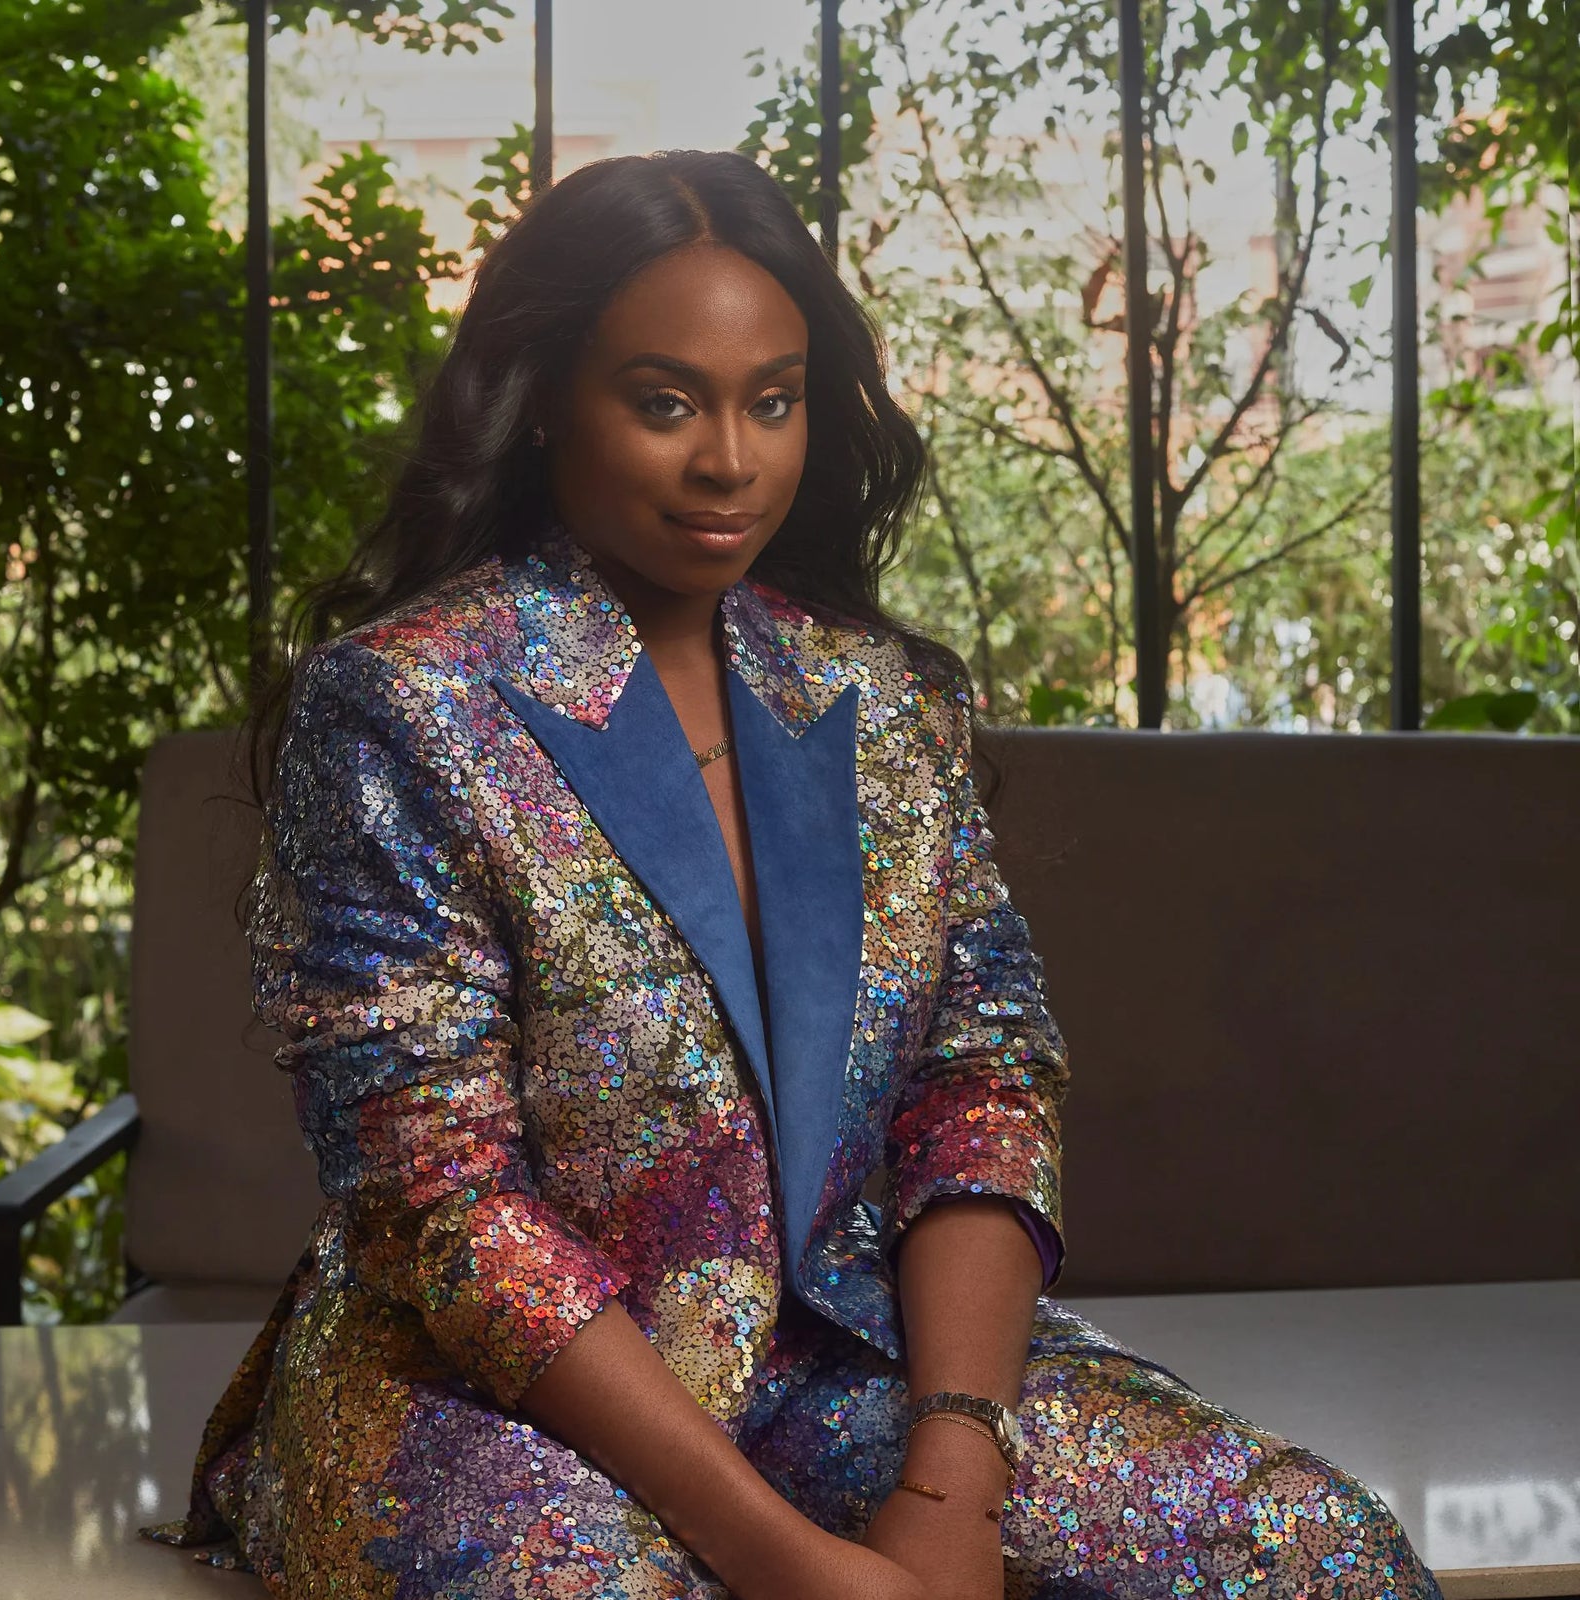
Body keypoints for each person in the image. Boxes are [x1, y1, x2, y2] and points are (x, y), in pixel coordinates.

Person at [146, 150, 1443, 1600]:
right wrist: (788, 1564)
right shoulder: (404, 705)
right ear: (544, 398)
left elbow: (979, 1085)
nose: (731, 461)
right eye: (664, 402)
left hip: (832, 1355)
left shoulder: (879, 696)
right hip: (486, 1396)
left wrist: (950, 1486)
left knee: (1314, 1551)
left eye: (774, 399)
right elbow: (443, 1206)